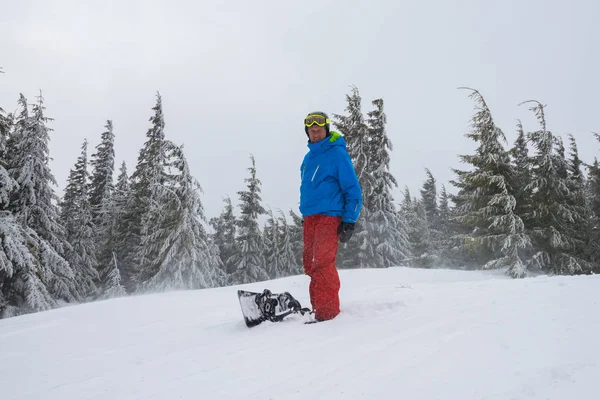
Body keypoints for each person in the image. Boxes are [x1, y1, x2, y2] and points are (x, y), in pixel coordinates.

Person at [299, 111, 362, 321]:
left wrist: (349, 220)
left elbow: (352, 188)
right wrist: (306, 215)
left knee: (322, 262)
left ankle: (327, 314)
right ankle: (317, 309)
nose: (315, 132)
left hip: (330, 216)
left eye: (319, 129)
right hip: (311, 217)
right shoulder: (308, 158)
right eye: (311, 129)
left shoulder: (337, 154)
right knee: (310, 264)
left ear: (326, 130)